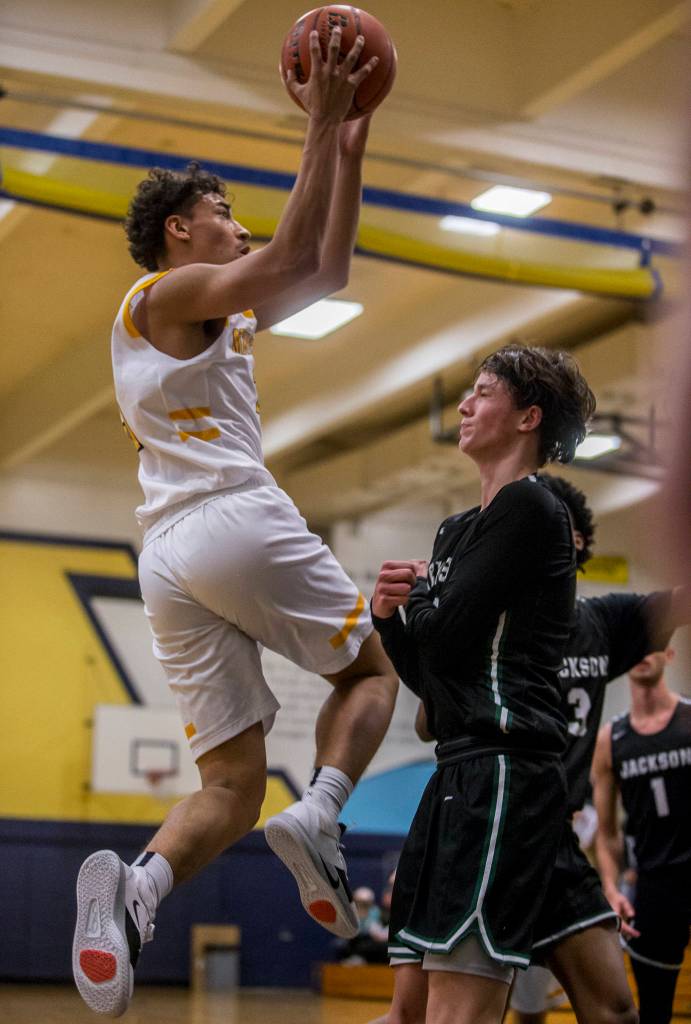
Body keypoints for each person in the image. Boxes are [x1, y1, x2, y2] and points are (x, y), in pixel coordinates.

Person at [72, 29, 399, 1018]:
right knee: (371, 672)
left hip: (169, 557)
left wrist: (346, 149)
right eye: (222, 211)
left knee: (231, 783)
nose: (237, 224)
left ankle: (138, 889)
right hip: (229, 517)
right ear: (177, 228)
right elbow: (296, 250)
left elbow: (325, 267)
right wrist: (319, 123)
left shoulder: (208, 312)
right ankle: (327, 815)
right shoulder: (161, 295)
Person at [370, 474, 688, 1024]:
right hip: (494, 807)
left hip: (553, 829)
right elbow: (432, 719)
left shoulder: (602, 622)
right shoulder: (487, 622)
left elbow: (675, 603)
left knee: (615, 1010)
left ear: (576, 544)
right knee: (425, 1012)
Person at [371, 345, 595, 1024]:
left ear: (528, 417)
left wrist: (420, 608)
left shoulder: (531, 507)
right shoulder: (455, 531)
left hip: (505, 776)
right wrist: (389, 623)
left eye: (482, 393)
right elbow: (435, 684)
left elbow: (445, 635)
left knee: (467, 1008)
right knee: (419, 1007)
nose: (463, 406)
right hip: (461, 771)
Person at [592, 650, 691, 1024]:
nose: (642, 653)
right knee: (653, 1011)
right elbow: (607, 834)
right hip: (653, 885)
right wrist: (610, 886)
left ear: (669, 653)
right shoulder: (611, 738)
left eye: (652, 644)